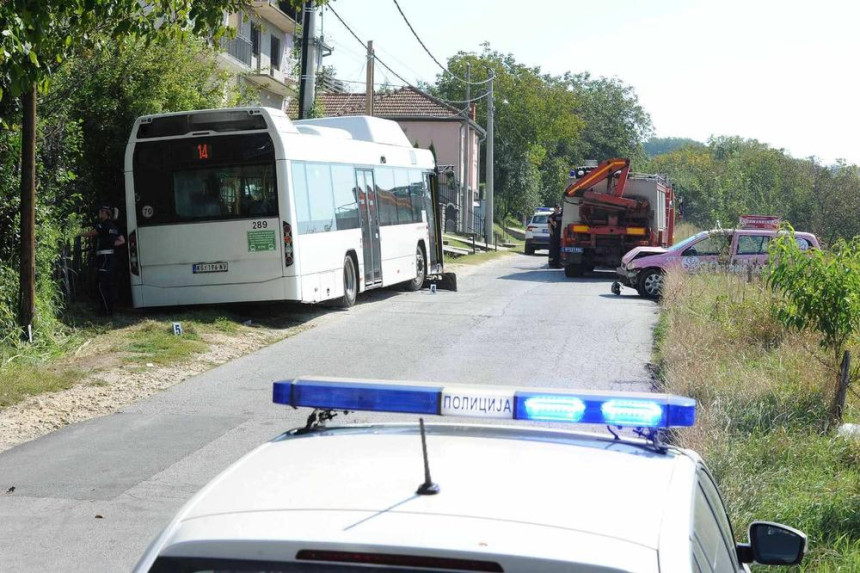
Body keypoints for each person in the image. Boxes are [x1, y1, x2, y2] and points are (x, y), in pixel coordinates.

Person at [80, 204, 125, 316]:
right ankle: (110, 309)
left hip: (104, 258)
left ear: (105, 213)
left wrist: (80, 234)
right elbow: (122, 240)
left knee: (102, 285)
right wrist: (112, 244)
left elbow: (92, 233)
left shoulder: (103, 225)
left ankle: (105, 310)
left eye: (100, 212)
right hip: (111, 258)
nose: (99, 214)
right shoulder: (114, 226)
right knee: (109, 284)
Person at [548, 204, 562, 268]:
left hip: (561, 234)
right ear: (554, 208)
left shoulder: (562, 215)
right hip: (555, 235)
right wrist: (552, 235)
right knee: (553, 249)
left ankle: (559, 262)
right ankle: (552, 263)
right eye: (556, 208)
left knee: (559, 249)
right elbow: (549, 226)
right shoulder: (552, 216)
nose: (558, 209)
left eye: (558, 207)